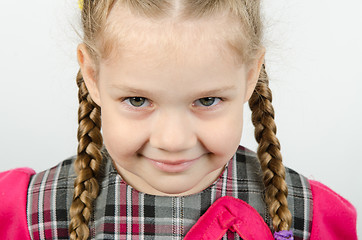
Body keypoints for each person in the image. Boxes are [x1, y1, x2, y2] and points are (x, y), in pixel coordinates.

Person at [0, 0, 357, 239]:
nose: (173, 140)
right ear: (92, 75)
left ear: (251, 75)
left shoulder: (310, 218)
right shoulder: (27, 215)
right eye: (137, 100)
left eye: (207, 100)